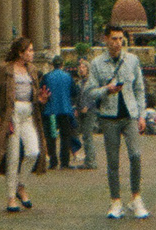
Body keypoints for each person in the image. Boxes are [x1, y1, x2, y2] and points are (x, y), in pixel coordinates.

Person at [86, 24, 149, 218]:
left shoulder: (132, 60)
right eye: (114, 38)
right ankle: (115, 201)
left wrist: (141, 115)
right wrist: (106, 89)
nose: (118, 43)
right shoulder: (96, 64)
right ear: (106, 39)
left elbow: (139, 89)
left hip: (129, 114)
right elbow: (90, 92)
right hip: (109, 116)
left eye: (121, 39)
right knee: (113, 161)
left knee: (135, 155)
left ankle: (136, 197)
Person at [0, 37, 48, 213]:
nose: (32, 53)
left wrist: (40, 100)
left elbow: (33, 95)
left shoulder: (33, 70)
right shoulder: (5, 69)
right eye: (29, 50)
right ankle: (11, 197)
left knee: (33, 151)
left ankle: (21, 185)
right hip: (11, 116)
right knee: (12, 156)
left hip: (28, 114)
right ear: (20, 53)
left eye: (32, 50)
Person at [41, 55, 77, 169]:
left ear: (53, 65)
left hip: (51, 110)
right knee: (65, 136)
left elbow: (43, 90)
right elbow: (74, 92)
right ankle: (65, 162)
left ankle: (53, 161)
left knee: (51, 136)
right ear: (62, 65)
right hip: (65, 110)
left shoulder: (47, 76)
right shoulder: (68, 76)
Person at [73, 57, 100, 169]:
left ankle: (91, 161)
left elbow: (95, 96)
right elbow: (77, 97)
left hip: (90, 111)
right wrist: (76, 108)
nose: (81, 69)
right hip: (80, 111)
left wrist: (87, 106)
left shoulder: (92, 82)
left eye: (83, 67)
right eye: (80, 67)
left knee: (88, 135)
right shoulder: (79, 82)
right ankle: (88, 159)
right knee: (84, 135)